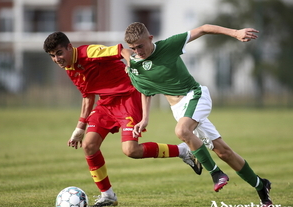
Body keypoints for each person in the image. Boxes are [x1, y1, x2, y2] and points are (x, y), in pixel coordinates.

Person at [43, 32, 202, 207]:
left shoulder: (89, 53)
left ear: (69, 47)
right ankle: (108, 195)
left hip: (128, 97)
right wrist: (80, 128)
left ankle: (182, 151)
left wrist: (132, 64)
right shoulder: (70, 67)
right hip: (106, 103)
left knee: (131, 150)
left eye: (59, 53)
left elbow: (123, 51)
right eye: (52, 56)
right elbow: (88, 96)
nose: (57, 59)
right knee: (89, 146)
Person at [124, 22, 272, 206]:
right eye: (133, 48)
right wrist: (145, 119)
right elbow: (146, 91)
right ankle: (261, 185)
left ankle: (216, 173)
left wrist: (235, 33)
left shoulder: (169, 45)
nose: (138, 51)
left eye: (140, 46)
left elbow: (203, 29)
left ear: (150, 39)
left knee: (182, 131)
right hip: (180, 110)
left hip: (195, 95)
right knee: (224, 152)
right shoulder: (137, 64)